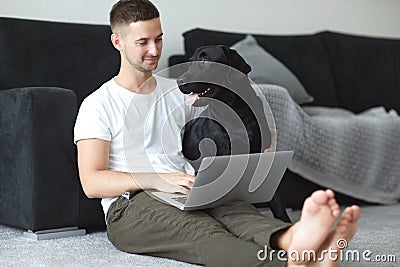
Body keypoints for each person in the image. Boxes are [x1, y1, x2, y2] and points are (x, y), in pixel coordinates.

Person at [74, 0, 361, 266]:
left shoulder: (178, 92)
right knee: (202, 230)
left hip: (189, 188)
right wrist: (158, 180)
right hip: (131, 204)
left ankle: (299, 241)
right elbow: (92, 181)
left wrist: (263, 142)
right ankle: (288, 263)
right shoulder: (98, 104)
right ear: (118, 42)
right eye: (142, 42)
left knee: (240, 213)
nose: (154, 50)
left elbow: (230, 113)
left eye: (158, 38)